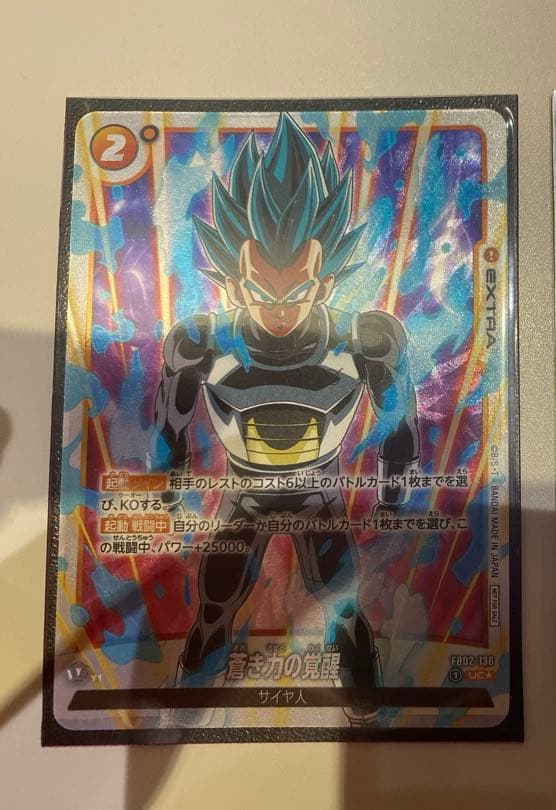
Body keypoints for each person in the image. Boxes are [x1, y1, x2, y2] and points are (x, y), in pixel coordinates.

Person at [152, 113, 420, 725]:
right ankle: (192, 693)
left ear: (324, 282)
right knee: (216, 604)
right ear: (234, 283)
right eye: (261, 292)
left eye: (295, 292)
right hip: (243, 496)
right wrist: (170, 490)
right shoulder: (201, 344)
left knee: (341, 603)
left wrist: (394, 494)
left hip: (319, 493)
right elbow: (170, 429)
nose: (278, 310)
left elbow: (398, 427)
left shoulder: (365, 341)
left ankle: (360, 691)